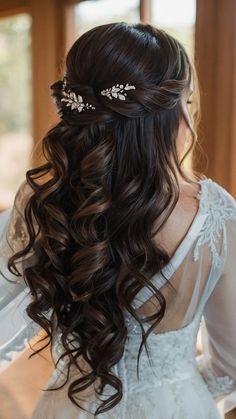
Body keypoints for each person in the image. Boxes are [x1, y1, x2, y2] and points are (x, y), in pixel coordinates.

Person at [0, 21, 235, 419]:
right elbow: (230, 365)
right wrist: (174, 386)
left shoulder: (43, 200)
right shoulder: (216, 211)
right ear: (174, 114)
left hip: (68, 405)